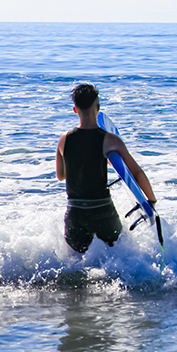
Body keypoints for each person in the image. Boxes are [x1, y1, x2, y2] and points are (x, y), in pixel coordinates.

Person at [55, 83, 156, 254]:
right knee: (117, 260)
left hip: (75, 214)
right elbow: (136, 172)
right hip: (102, 212)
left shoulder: (64, 140)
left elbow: (61, 175)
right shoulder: (110, 140)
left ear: (75, 110)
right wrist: (151, 201)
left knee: (76, 267)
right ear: (98, 107)